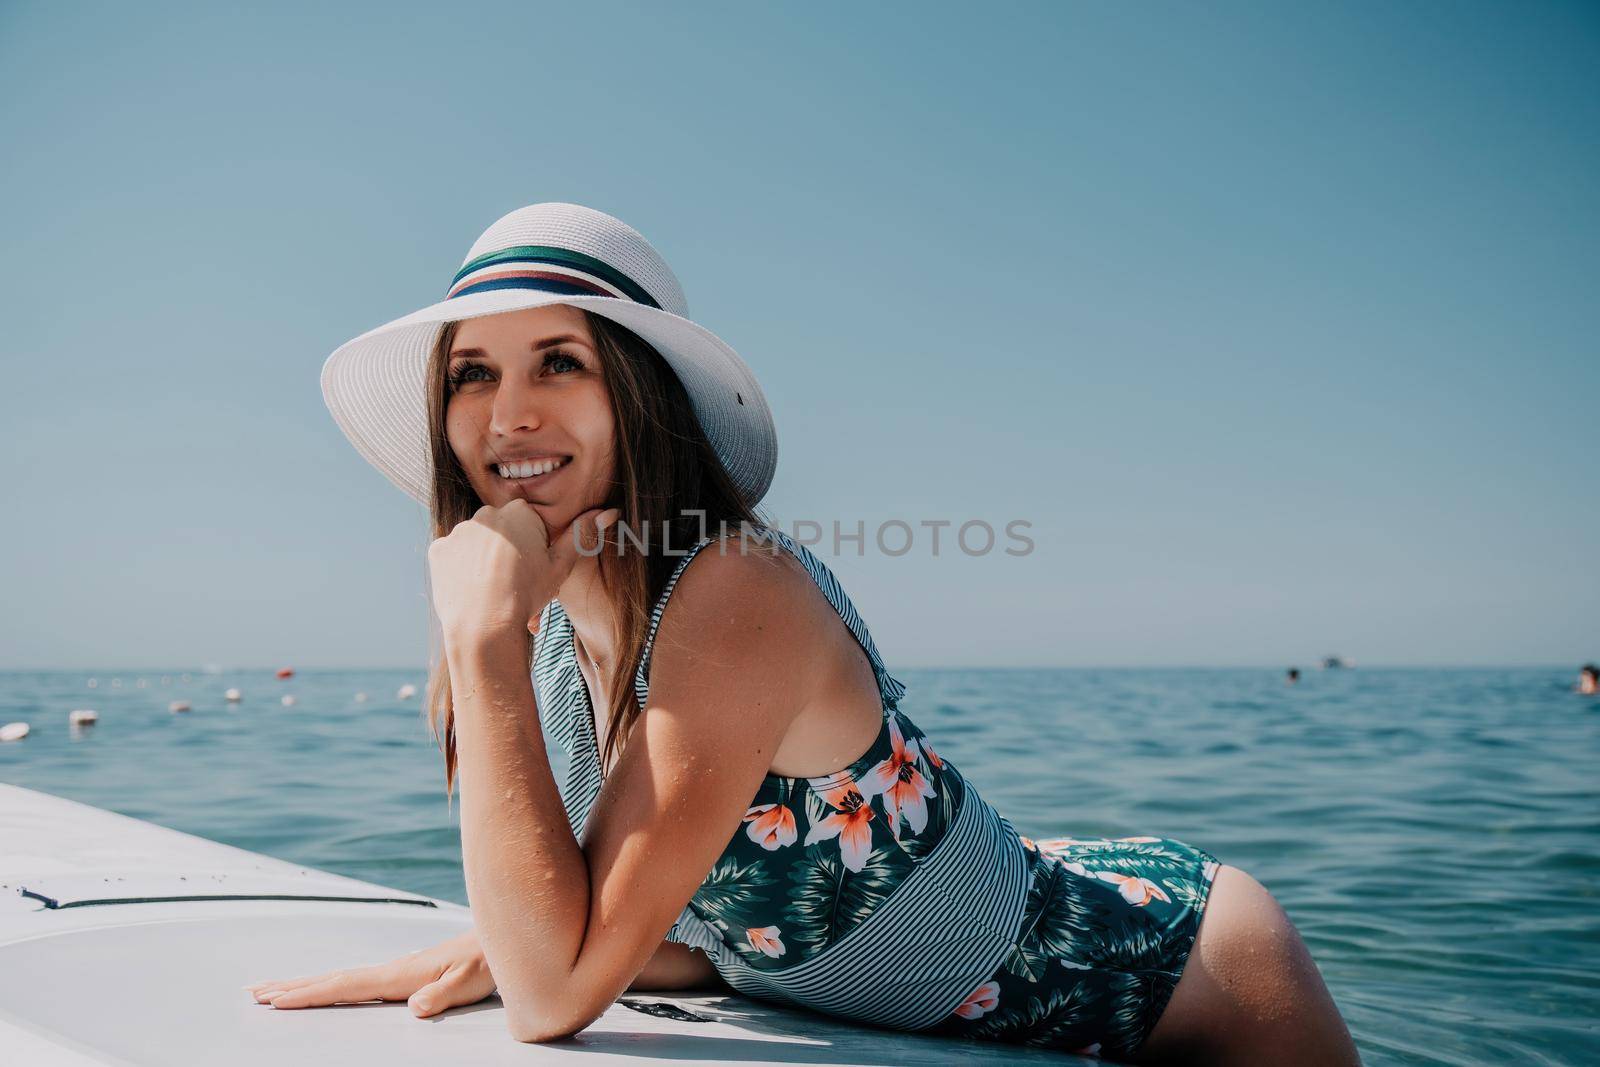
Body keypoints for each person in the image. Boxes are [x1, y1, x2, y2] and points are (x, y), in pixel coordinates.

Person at [246, 203, 1360, 1064]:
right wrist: (514, 933)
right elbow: (720, 913)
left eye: (560, 362)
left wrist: (479, 634)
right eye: (473, 374)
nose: (509, 415)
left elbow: (554, 1000)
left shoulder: (735, 589)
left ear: (642, 397)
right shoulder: (556, 641)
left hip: (1177, 975)